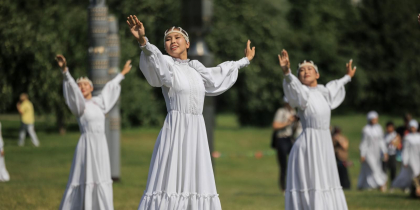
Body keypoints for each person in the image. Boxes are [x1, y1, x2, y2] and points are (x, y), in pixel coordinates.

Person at [126, 15, 255, 210]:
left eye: (177, 38)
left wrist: (245, 60)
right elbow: (156, 62)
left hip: (196, 131)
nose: (172, 41)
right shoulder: (168, 65)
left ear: (187, 43)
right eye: (168, 39)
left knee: (195, 179)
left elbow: (219, 73)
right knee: (172, 180)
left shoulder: (196, 68)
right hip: (176, 131)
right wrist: (143, 41)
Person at [279, 49, 355, 210]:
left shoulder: (323, 92)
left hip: (325, 144)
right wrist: (287, 72)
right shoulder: (303, 94)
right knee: (313, 183)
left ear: (317, 75)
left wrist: (348, 77)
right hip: (309, 146)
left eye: (309, 69)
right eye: (301, 70)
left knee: (326, 181)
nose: (305, 71)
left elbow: (336, 85)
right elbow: (293, 87)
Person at [55, 55, 132, 210]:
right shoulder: (80, 106)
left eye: (85, 84)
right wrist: (65, 71)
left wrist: (122, 73)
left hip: (100, 146)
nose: (82, 87)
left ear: (91, 87)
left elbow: (110, 87)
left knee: (101, 177)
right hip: (87, 146)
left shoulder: (99, 103)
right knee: (85, 177)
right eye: (80, 86)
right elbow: (70, 88)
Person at [271, 96, 297, 194]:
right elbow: (275, 125)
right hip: (281, 138)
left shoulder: (294, 112)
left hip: (290, 139)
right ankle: (283, 188)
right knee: (283, 165)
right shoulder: (281, 111)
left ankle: (293, 186)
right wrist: (288, 122)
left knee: (294, 163)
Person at [357, 111, 388, 191]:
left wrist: (384, 151)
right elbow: (364, 143)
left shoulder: (379, 128)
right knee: (373, 168)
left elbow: (381, 141)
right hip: (368, 153)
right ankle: (381, 184)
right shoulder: (366, 129)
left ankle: (363, 185)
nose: (374, 120)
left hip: (376, 153)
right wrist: (362, 154)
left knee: (370, 169)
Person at [391, 120, 420, 191]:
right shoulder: (407, 138)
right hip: (411, 159)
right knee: (414, 172)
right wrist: (405, 160)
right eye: (411, 127)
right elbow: (405, 150)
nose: (413, 129)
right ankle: (413, 187)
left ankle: (414, 187)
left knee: (417, 173)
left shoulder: (419, 137)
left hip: (418, 158)